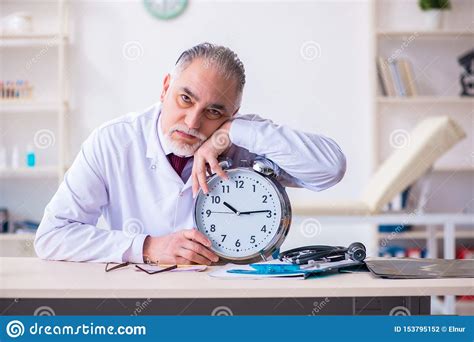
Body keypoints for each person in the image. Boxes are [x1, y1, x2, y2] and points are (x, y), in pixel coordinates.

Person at [34, 42, 346, 265]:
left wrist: (233, 133)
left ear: (233, 113)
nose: (193, 122)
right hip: (141, 303)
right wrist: (146, 246)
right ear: (165, 87)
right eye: (185, 99)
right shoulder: (112, 142)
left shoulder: (246, 141)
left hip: (236, 301)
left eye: (214, 111)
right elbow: (52, 236)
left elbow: (331, 168)